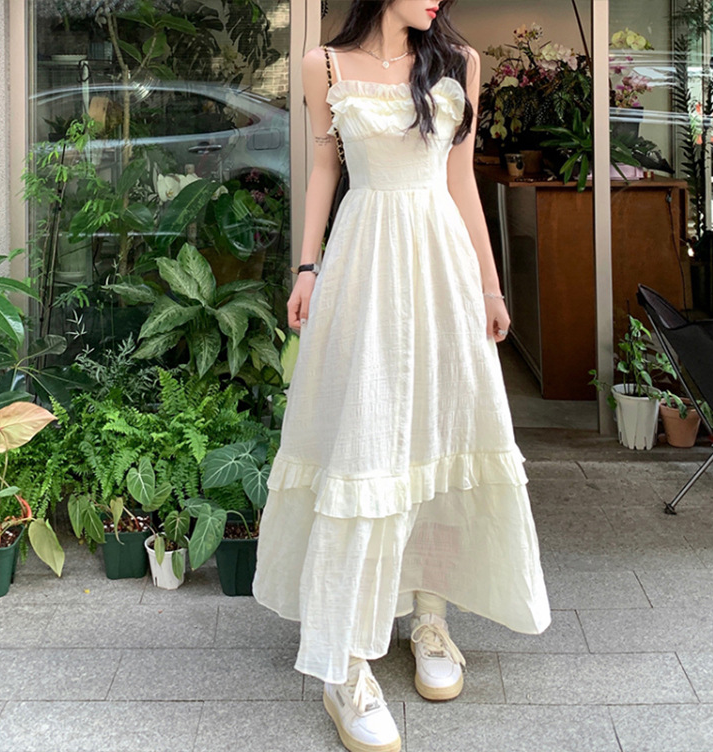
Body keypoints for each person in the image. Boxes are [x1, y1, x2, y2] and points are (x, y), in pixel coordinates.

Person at [252, 2, 552, 750]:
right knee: (364, 444)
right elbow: (326, 169)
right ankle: (345, 663)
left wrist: (489, 285)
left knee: (440, 441)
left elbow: (461, 181)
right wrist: (307, 267)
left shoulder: (460, 63)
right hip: (364, 265)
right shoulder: (323, 65)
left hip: (440, 265)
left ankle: (430, 617)